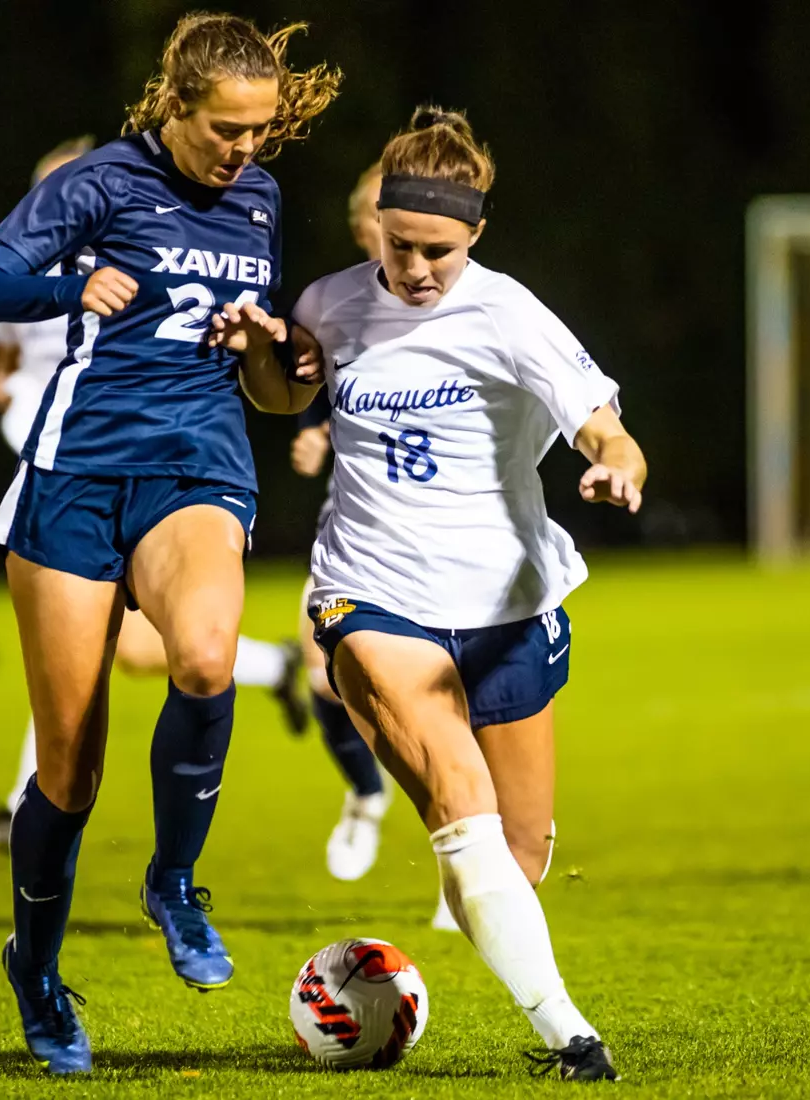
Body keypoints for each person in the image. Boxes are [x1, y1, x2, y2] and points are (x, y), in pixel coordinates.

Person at [0, 12, 336, 1074]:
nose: (244, 149)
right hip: (73, 477)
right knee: (67, 769)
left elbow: (267, 388)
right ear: (176, 106)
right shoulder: (98, 183)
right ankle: (35, 967)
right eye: (226, 128)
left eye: (260, 130)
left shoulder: (258, 198)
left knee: (207, 655)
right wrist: (69, 285)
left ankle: (171, 881)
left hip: (198, 464)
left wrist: (277, 352)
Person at [288, 107, 647, 1081]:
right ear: (375, 223)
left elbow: (605, 426)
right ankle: (571, 1035)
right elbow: (282, 387)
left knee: (518, 845)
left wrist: (616, 463)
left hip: (506, 607)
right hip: (373, 593)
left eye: (436, 251)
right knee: (460, 797)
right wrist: (262, 359)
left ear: (474, 235)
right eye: (398, 245)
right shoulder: (329, 302)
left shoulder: (508, 314)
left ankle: (485, 892)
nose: (414, 268)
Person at [0, 136, 309, 854]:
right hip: (66, 451)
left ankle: (151, 862)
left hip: (158, 459)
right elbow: (1, 342)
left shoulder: (197, 214)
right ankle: (42, 809)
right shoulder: (43, 255)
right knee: (94, 663)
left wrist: (272, 347)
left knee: (143, 651)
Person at [289, 162, 400, 885]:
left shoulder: (471, 306)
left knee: (452, 698)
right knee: (322, 674)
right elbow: (328, 385)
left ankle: (472, 854)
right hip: (354, 522)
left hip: (445, 529)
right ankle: (365, 793)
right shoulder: (339, 306)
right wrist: (313, 428)